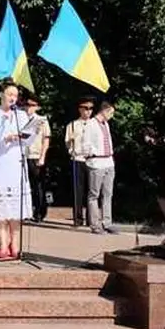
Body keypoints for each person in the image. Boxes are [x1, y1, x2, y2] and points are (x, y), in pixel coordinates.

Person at [0, 82, 40, 259]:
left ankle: (15, 244)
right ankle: (2, 243)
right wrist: (4, 139)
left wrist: (34, 132)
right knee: (2, 205)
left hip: (16, 162)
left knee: (16, 206)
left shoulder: (21, 115)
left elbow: (27, 142)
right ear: (2, 94)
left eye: (15, 95)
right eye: (9, 94)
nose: (12, 98)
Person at [79, 101, 119, 234]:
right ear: (104, 111)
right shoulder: (91, 124)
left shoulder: (105, 124)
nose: (112, 116)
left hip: (108, 162)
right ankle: (95, 224)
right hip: (97, 162)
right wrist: (91, 154)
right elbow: (85, 143)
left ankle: (107, 222)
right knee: (94, 194)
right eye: (111, 113)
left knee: (108, 194)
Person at [64, 97, 94, 227]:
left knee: (91, 190)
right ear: (80, 109)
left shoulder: (95, 124)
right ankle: (78, 219)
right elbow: (67, 143)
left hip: (92, 159)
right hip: (77, 158)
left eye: (91, 109)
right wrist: (70, 142)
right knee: (78, 190)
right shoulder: (72, 124)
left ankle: (91, 219)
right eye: (86, 108)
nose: (88, 111)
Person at [22, 94, 51, 222]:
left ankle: (39, 212)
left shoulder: (42, 120)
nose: (29, 108)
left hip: (36, 155)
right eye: (27, 105)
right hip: (22, 156)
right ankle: (25, 212)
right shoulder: (20, 119)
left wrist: (42, 156)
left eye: (32, 105)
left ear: (37, 107)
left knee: (38, 186)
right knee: (24, 186)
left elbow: (46, 139)